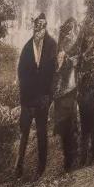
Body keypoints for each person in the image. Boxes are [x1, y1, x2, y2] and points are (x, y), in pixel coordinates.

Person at [15, 13, 57, 178]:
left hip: (43, 100)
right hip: (27, 100)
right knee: (24, 133)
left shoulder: (52, 45)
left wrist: (49, 97)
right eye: (36, 26)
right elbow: (21, 73)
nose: (38, 29)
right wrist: (24, 99)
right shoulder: (27, 48)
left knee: (41, 133)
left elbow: (55, 74)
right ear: (34, 27)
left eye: (41, 26)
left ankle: (41, 167)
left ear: (45, 27)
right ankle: (18, 166)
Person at [52, 17, 80, 173]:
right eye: (65, 32)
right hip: (61, 96)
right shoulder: (60, 51)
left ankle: (72, 160)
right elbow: (56, 72)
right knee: (64, 128)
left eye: (70, 30)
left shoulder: (73, 51)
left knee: (71, 126)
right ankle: (68, 160)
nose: (68, 35)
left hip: (69, 92)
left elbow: (73, 66)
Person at [76, 16, 94, 165]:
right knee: (85, 125)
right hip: (82, 89)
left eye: (92, 28)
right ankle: (83, 156)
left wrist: (87, 73)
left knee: (93, 123)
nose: (89, 33)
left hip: (92, 87)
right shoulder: (82, 45)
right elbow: (78, 64)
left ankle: (93, 152)